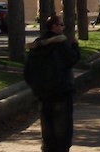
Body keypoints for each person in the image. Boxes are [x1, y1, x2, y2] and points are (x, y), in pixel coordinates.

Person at [24, 15, 81, 152]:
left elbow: (28, 71)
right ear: (54, 27)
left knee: (47, 128)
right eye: (61, 25)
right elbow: (71, 59)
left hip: (43, 95)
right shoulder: (60, 44)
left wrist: (36, 87)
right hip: (61, 92)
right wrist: (75, 47)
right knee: (63, 129)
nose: (63, 27)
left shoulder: (37, 46)